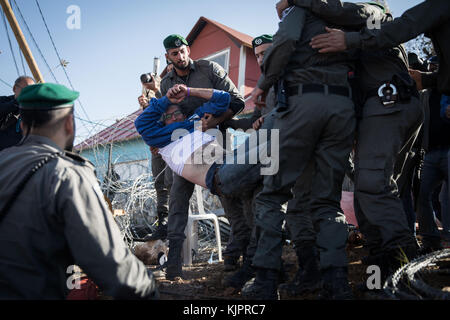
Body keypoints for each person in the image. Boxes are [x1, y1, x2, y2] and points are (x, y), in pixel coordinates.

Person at [277, 0, 423, 290]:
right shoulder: (355, 33)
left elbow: (353, 11)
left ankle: (409, 270)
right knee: (370, 194)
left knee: (372, 187)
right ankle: (380, 276)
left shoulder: (373, 12)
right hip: (377, 109)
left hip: (389, 102)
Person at [0, 83, 159, 299]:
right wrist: (148, 290)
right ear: (68, 123)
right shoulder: (67, 173)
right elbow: (112, 266)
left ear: (23, 124)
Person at [245, 4, 357, 299]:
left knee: (272, 194)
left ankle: (265, 281)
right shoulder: (349, 14)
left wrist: (263, 84)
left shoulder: (299, 11)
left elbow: (284, 42)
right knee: (327, 201)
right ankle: (336, 283)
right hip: (343, 106)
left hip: (302, 103)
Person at [159, 34, 245, 280]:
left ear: (188, 50)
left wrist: (214, 121)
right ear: (168, 57)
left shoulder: (210, 69)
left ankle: (238, 253)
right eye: (175, 54)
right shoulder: (166, 83)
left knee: (227, 192)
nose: (180, 56)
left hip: (215, 137)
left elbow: (237, 101)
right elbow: (166, 114)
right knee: (177, 198)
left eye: (183, 51)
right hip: (185, 145)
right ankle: (174, 264)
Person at [296, 0, 450, 95]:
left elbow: (355, 13)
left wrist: (350, 39)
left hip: (385, 103)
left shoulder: (376, 16)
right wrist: (429, 79)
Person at [138, 71, 172, 241]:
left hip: (173, 142)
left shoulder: (169, 86)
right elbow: (148, 122)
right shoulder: (149, 96)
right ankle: (163, 224)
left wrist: (158, 90)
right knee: (160, 183)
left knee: (173, 183)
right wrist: (145, 108)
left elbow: (173, 110)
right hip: (157, 145)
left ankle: (175, 224)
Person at [0, 76, 35, 151]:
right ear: (14, 88)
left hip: (17, 158)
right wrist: (17, 103)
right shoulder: (3, 101)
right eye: (26, 90)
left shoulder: (33, 111)